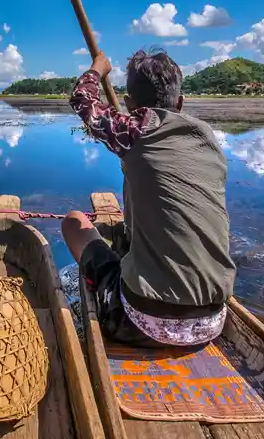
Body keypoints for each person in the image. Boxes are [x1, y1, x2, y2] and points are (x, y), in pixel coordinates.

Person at [61, 48, 236, 348]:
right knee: (124, 236)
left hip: (141, 321)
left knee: (73, 223)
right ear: (180, 103)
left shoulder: (135, 129)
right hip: (212, 322)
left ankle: (106, 297)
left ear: (129, 105)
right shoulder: (209, 139)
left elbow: (82, 99)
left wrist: (97, 69)